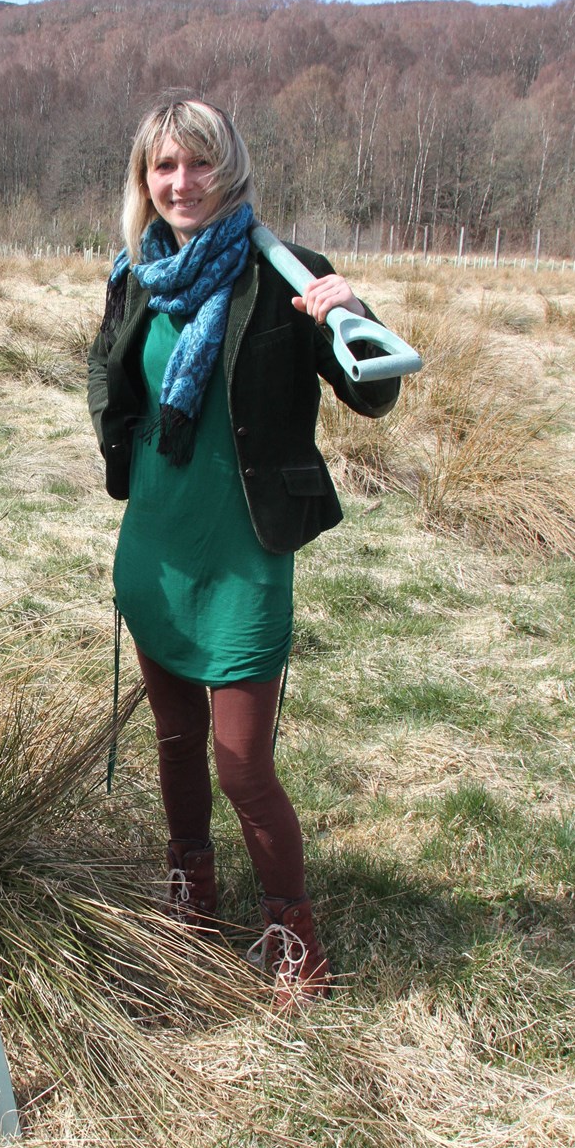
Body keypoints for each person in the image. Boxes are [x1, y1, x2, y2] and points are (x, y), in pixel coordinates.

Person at [87, 93, 401, 1006]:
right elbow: (115, 390)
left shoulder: (287, 272)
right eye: (164, 167)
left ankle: (288, 924)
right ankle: (191, 891)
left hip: (246, 554)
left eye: (199, 163)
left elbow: (374, 395)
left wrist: (353, 311)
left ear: (232, 170)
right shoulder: (135, 275)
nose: (181, 183)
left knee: (242, 765)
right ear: (146, 181)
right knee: (177, 738)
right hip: (157, 544)